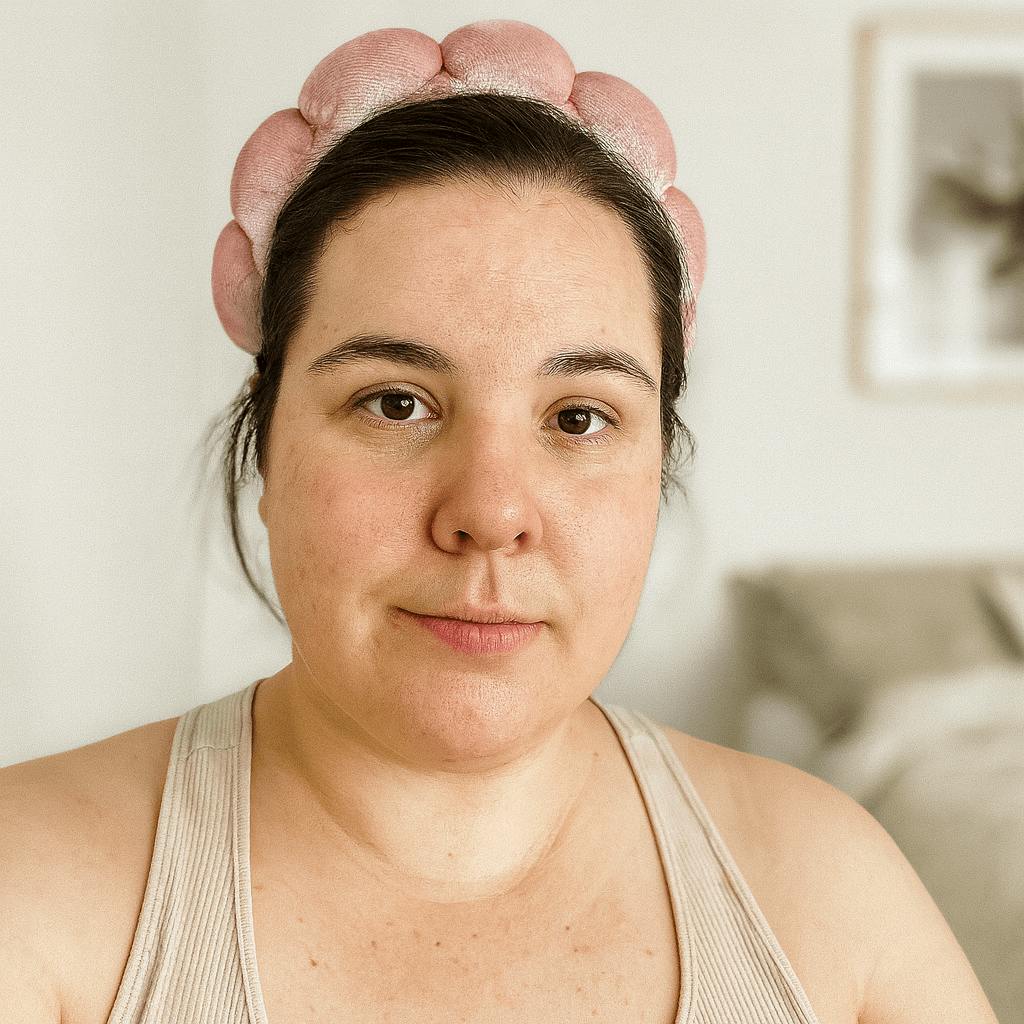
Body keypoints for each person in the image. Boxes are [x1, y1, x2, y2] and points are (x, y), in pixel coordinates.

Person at [0, 19, 999, 1024]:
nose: (489, 513)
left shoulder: (830, 892)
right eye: (395, 402)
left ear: (658, 468)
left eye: (578, 418)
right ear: (267, 444)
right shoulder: (33, 883)